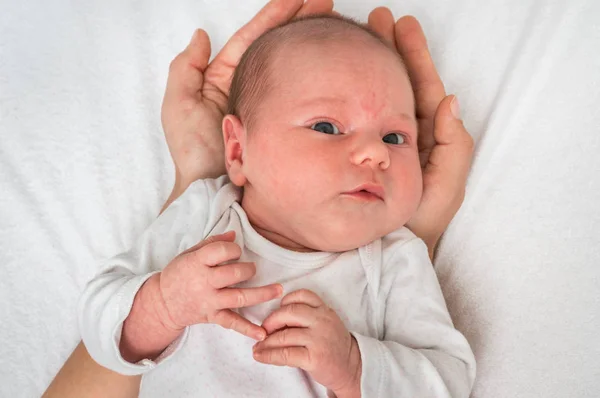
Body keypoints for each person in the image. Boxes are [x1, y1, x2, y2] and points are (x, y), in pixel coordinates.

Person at [43, 0, 474, 397]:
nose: (377, 153)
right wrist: (162, 306)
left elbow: (447, 379)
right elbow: (100, 313)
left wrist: (355, 364)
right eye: (327, 127)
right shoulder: (204, 214)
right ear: (236, 150)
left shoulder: (396, 261)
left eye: (395, 137)